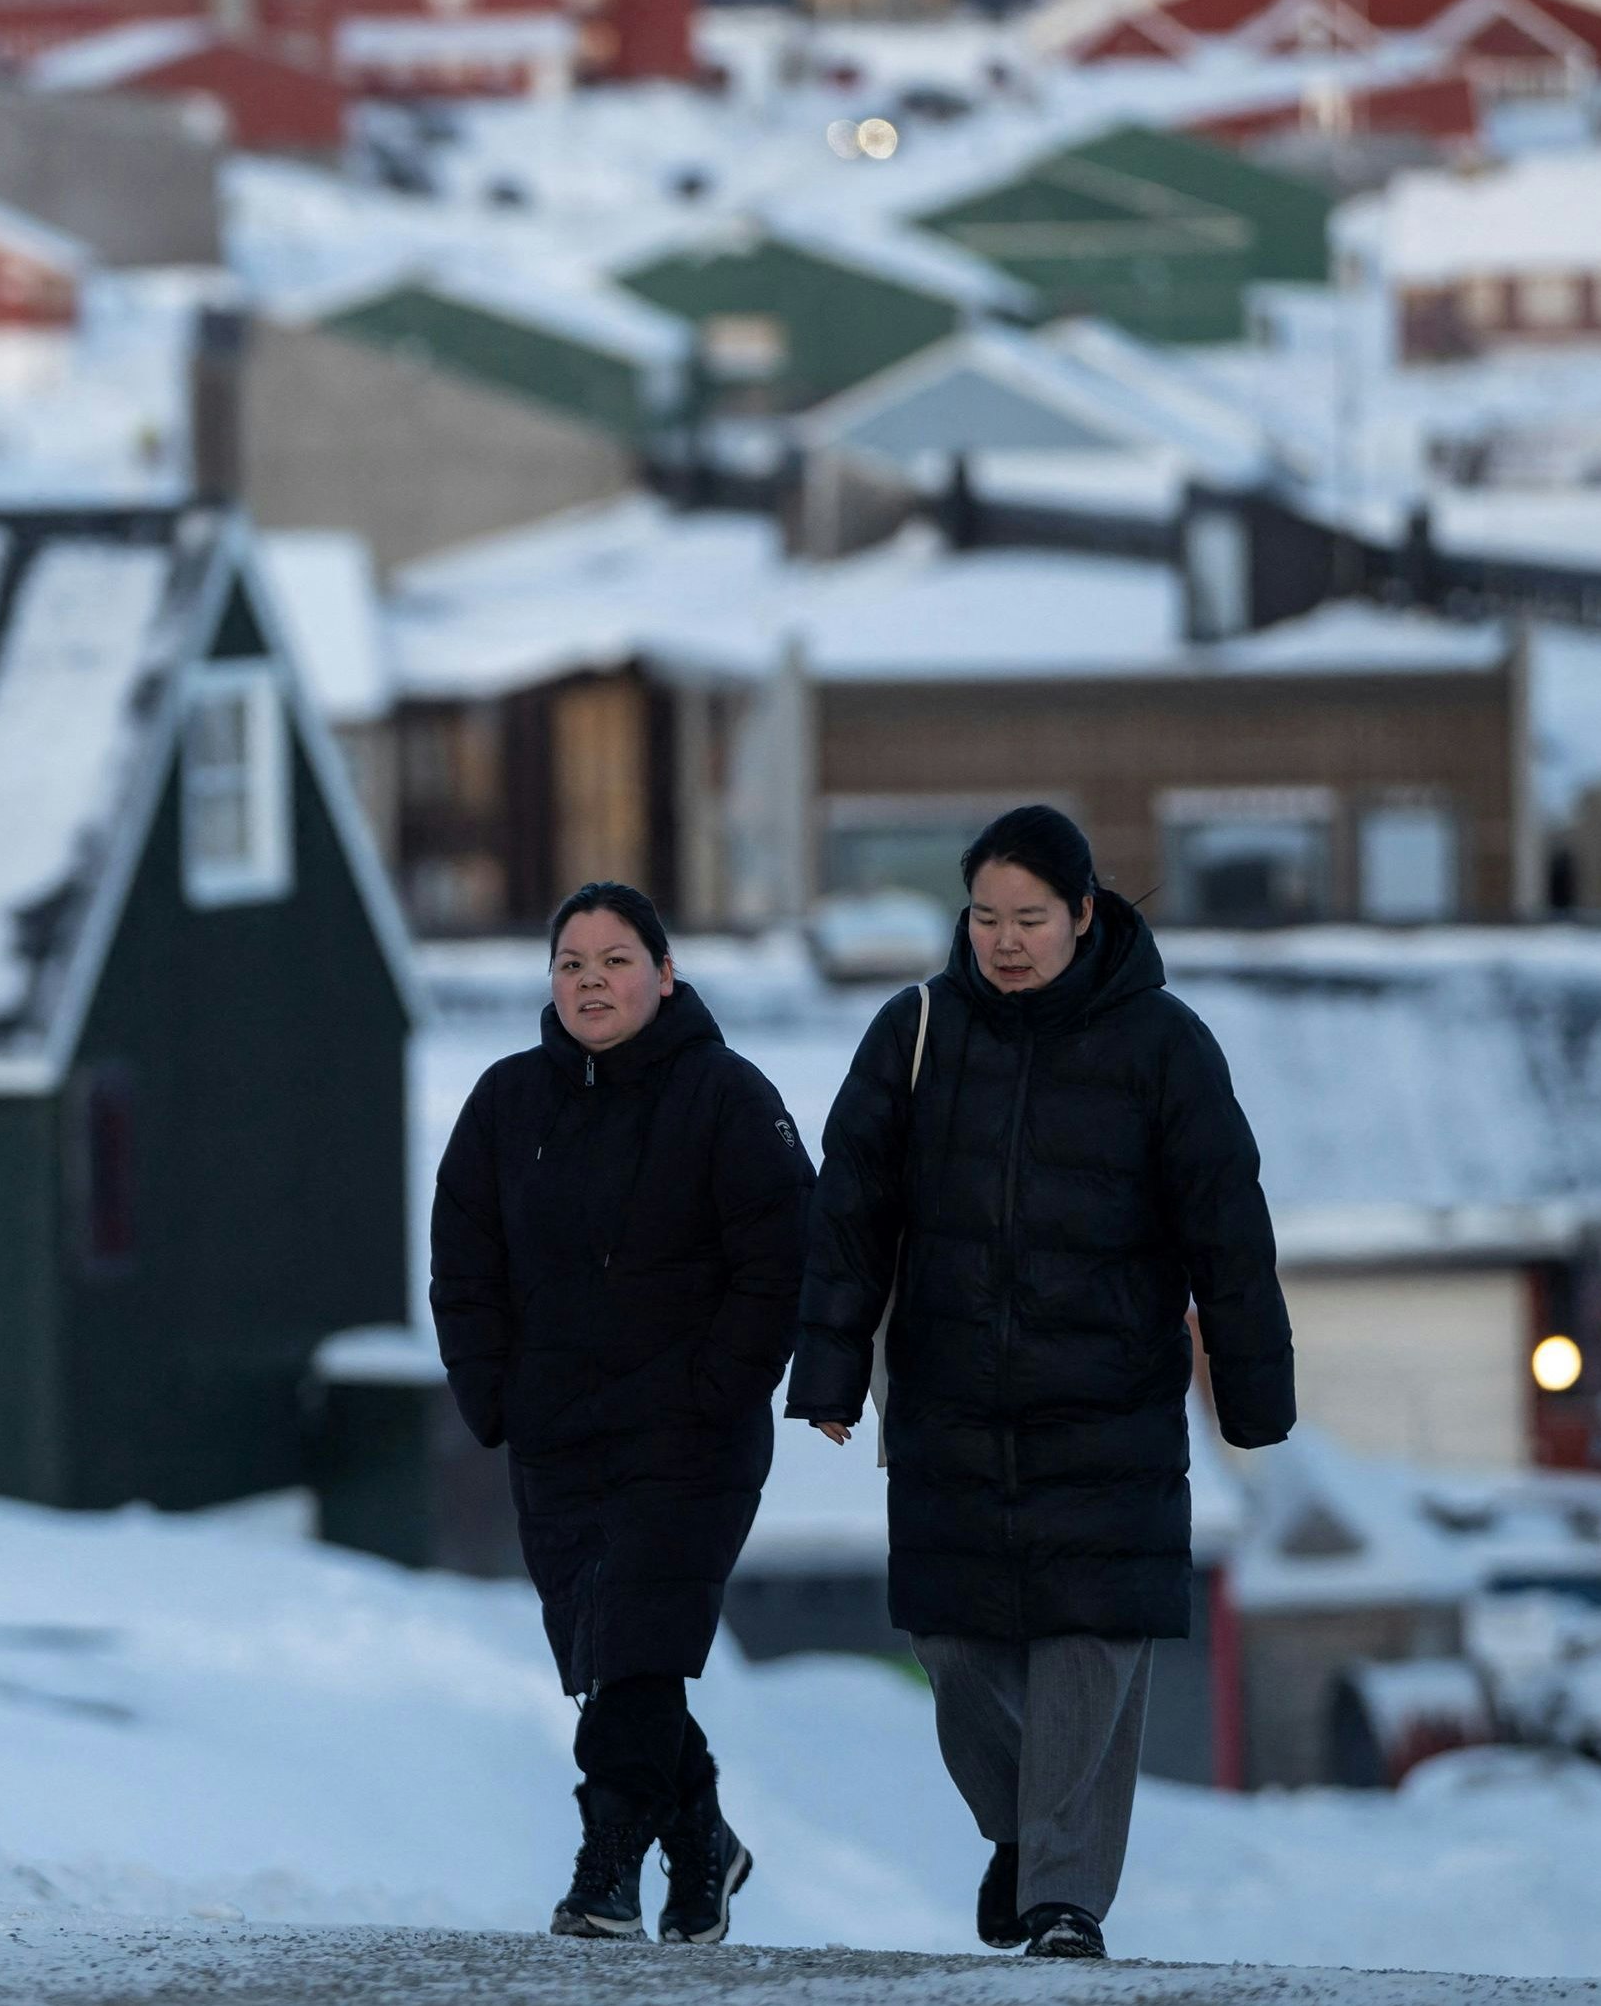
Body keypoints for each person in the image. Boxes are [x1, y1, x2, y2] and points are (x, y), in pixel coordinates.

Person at [786, 807, 1294, 1963]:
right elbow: (849, 1216)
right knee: (955, 1650)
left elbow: (1227, 1225)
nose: (1004, 941)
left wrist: (1253, 1393)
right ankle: (1024, 1838)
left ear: (1081, 916)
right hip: (948, 1406)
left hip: (1107, 1405)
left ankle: (1065, 1900)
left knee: (1086, 1649)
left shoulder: (1163, 1046)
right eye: (983, 918)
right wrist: (828, 1372)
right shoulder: (911, 1033)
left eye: (1028, 919)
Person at [431, 881, 811, 1945]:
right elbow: (463, 1260)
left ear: (664, 973)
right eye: (569, 963)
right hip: (556, 1436)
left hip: (690, 1437)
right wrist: (490, 1391)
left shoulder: (729, 1097)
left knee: (638, 1644)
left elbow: (782, 1260)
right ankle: (703, 1844)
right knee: (613, 1655)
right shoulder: (507, 1102)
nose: (591, 981)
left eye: (613, 960)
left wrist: (718, 1387)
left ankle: (603, 1872)